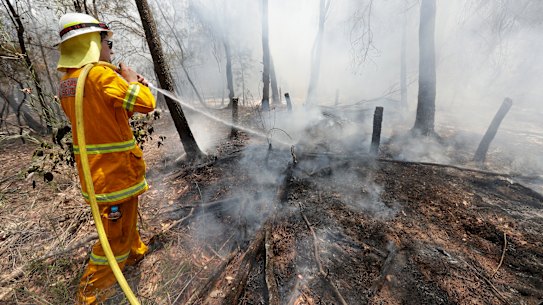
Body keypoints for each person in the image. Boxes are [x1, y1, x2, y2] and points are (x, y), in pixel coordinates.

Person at [56, 12, 156, 304]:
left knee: (126, 222)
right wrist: (129, 81)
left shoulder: (68, 82)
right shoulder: (99, 75)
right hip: (113, 176)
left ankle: (136, 254)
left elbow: (111, 116)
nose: (110, 49)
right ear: (91, 42)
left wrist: (129, 86)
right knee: (112, 238)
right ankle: (91, 295)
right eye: (107, 42)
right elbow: (146, 105)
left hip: (101, 175)